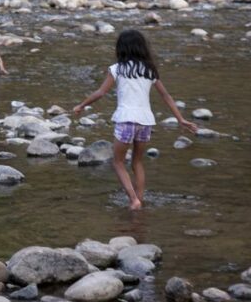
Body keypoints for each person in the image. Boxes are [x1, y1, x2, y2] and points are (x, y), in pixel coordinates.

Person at [72, 28, 197, 210]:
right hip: (145, 121)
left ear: (121, 48)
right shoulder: (149, 70)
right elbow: (166, 96)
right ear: (142, 48)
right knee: (137, 162)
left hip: (126, 120)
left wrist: (81, 105)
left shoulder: (117, 69)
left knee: (118, 162)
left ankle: (133, 200)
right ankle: (140, 198)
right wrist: (180, 119)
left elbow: (101, 92)